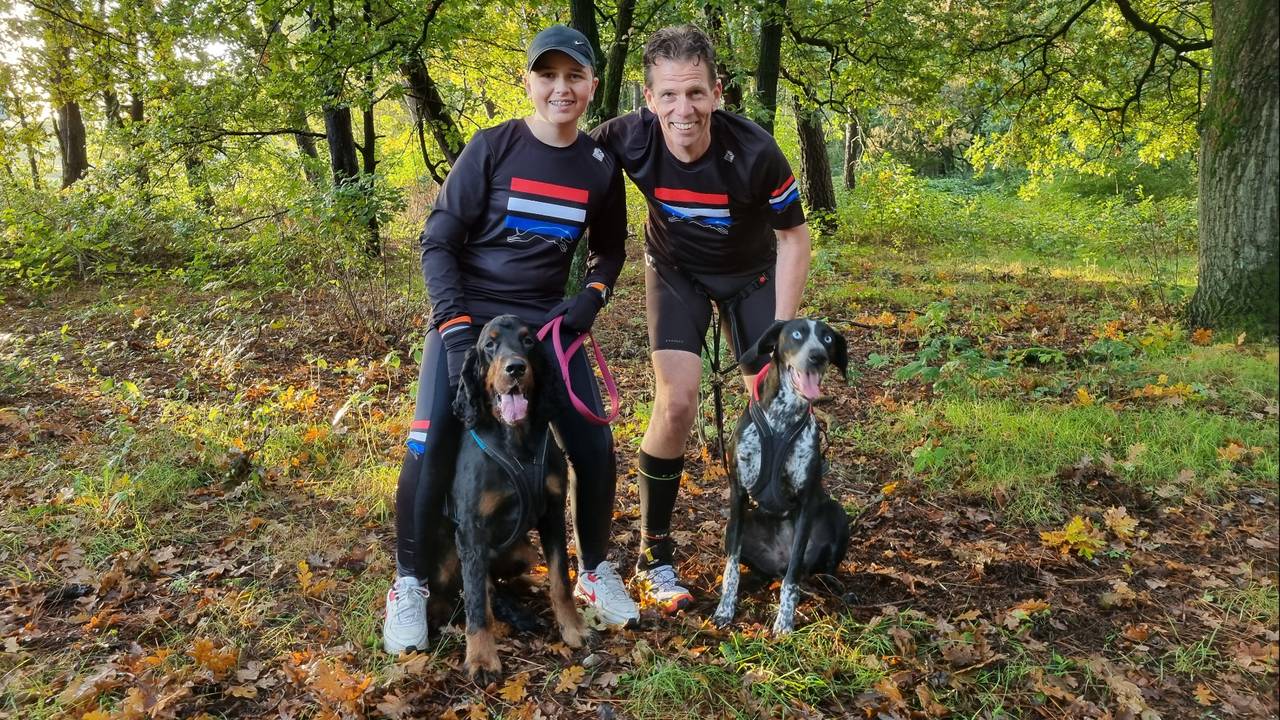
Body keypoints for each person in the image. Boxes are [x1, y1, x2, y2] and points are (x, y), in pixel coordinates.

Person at [384, 24, 640, 655]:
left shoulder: (600, 167)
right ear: (528, 82)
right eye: (547, 75)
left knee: (594, 443)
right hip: (469, 327)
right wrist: (453, 331)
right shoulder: (492, 148)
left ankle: (595, 571)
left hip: (546, 330)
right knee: (432, 439)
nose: (561, 88)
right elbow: (438, 240)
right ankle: (410, 584)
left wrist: (593, 296)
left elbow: (610, 249)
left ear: (591, 85)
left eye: (574, 76)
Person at [591, 24, 811, 614]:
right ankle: (654, 554)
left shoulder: (757, 152)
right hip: (675, 271)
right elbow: (562, 163)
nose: (681, 108)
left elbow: (794, 238)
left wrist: (780, 338)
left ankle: (773, 540)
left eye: (694, 92)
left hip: (751, 277)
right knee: (678, 401)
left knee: (772, 402)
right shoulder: (625, 139)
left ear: (717, 92)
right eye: (668, 94)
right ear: (648, 99)